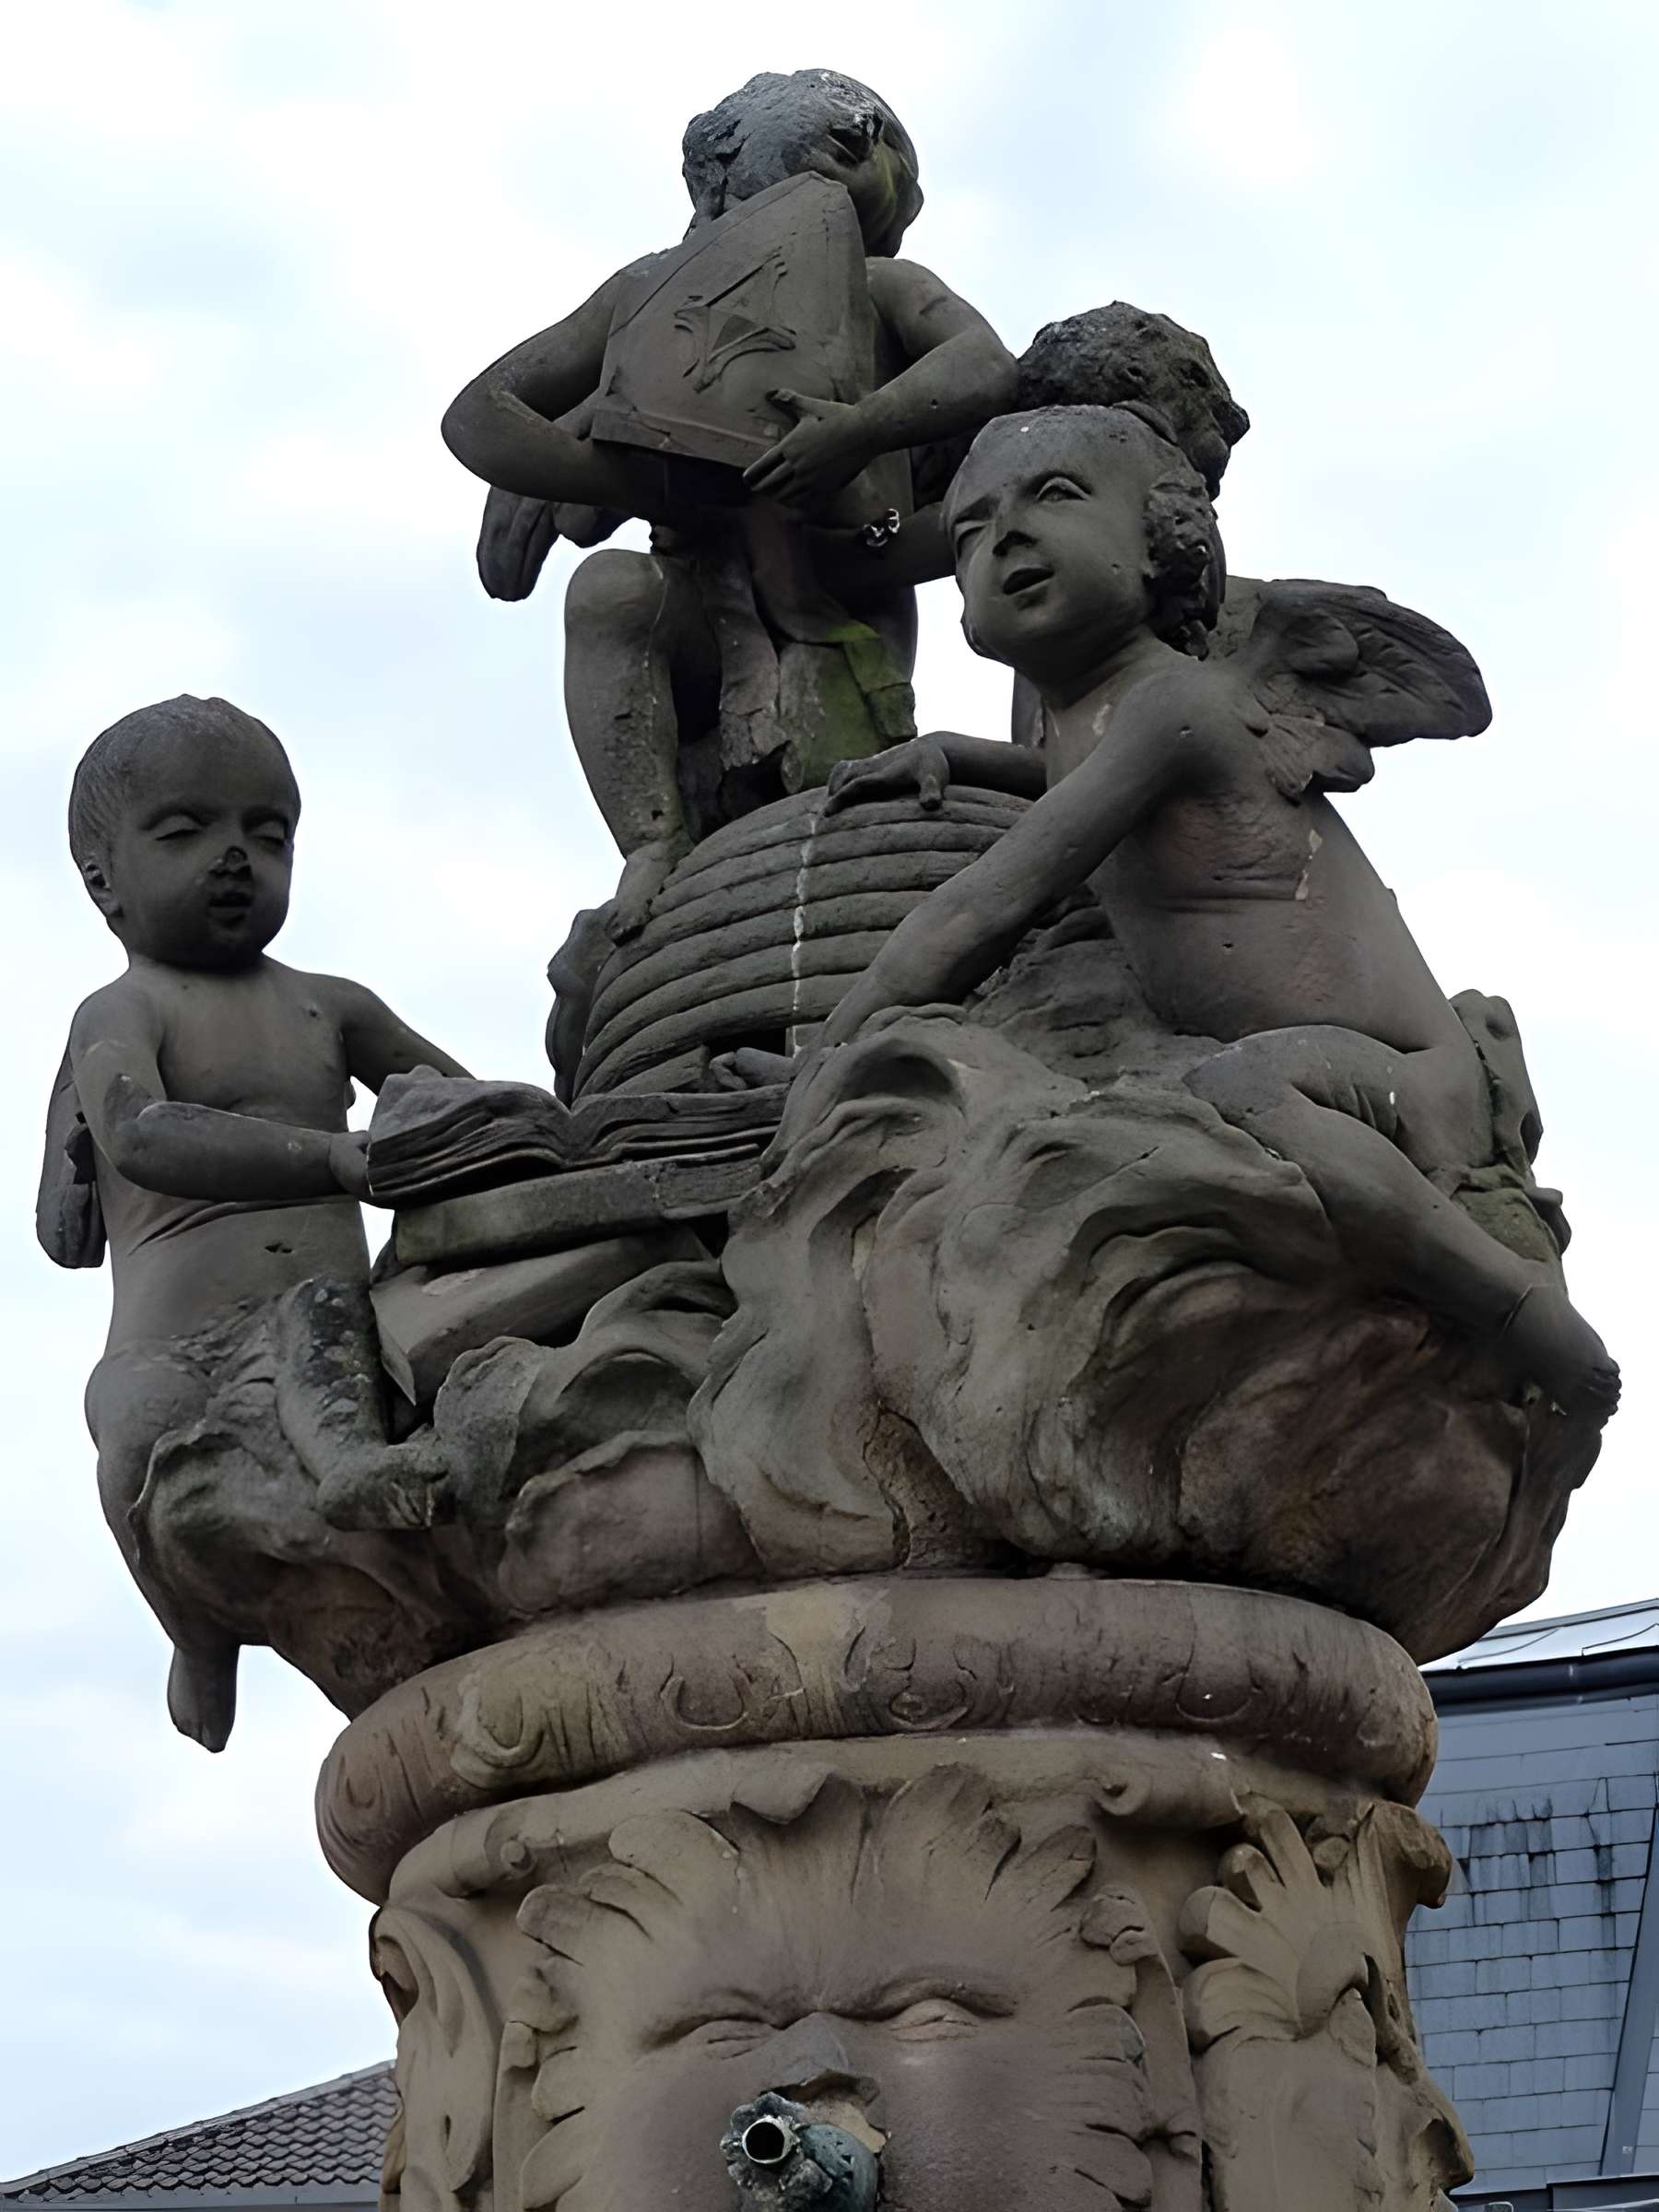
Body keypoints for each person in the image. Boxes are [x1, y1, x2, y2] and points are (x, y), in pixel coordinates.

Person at [812, 406, 1618, 1418]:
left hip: (1406, 1081)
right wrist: (959, 754)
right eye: (968, 530)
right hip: (1313, 1056)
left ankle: (1514, 1311)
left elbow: (987, 904)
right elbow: (1061, 781)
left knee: (1238, 1092)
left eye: (1052, 497)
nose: (1003, 536)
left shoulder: (1173, 705)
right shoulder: (1097, 720)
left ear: (1163, 544)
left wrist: (834, 1051)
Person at [441, 68, 1016, 938]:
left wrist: (858, 431)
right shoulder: (650, 296)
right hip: (700, 604)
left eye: (886, 146)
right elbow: (480, 414)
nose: (870, 152)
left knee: (844, 827)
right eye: (845, 135)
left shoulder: (883, 290)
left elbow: (984, 365)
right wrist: (620, 470)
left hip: (849, 581)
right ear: (715, 171)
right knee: (607, 593)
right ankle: (651, 839)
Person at [40, 695, 468, 1749]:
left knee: (327, 1323)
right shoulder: (122, 1014)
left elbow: (456, 1099)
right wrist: (327, 1157)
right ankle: (194, 1631)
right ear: (104, 880)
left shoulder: (331, 1006)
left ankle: (351, 1466)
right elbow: (139, 1136)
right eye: (186, 832)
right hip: (168, 1338)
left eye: (266, 834)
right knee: (131, 1431)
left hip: (312, 1311)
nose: (236, 857)